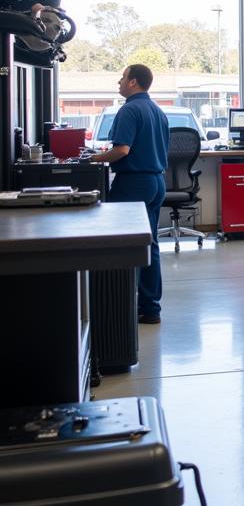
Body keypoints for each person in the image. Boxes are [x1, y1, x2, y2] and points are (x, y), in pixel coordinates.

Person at [89, 64, 169, 324]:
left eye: (122, 78)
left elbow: (122, 150)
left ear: (133, 82)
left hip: (134, 183)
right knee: (150, 243)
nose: (119, 82)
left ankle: (122, 307)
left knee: (125, 245)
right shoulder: (158, 111)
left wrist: (93, 158)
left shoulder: (130, 109)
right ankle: (151, 308)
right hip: (157, 182)